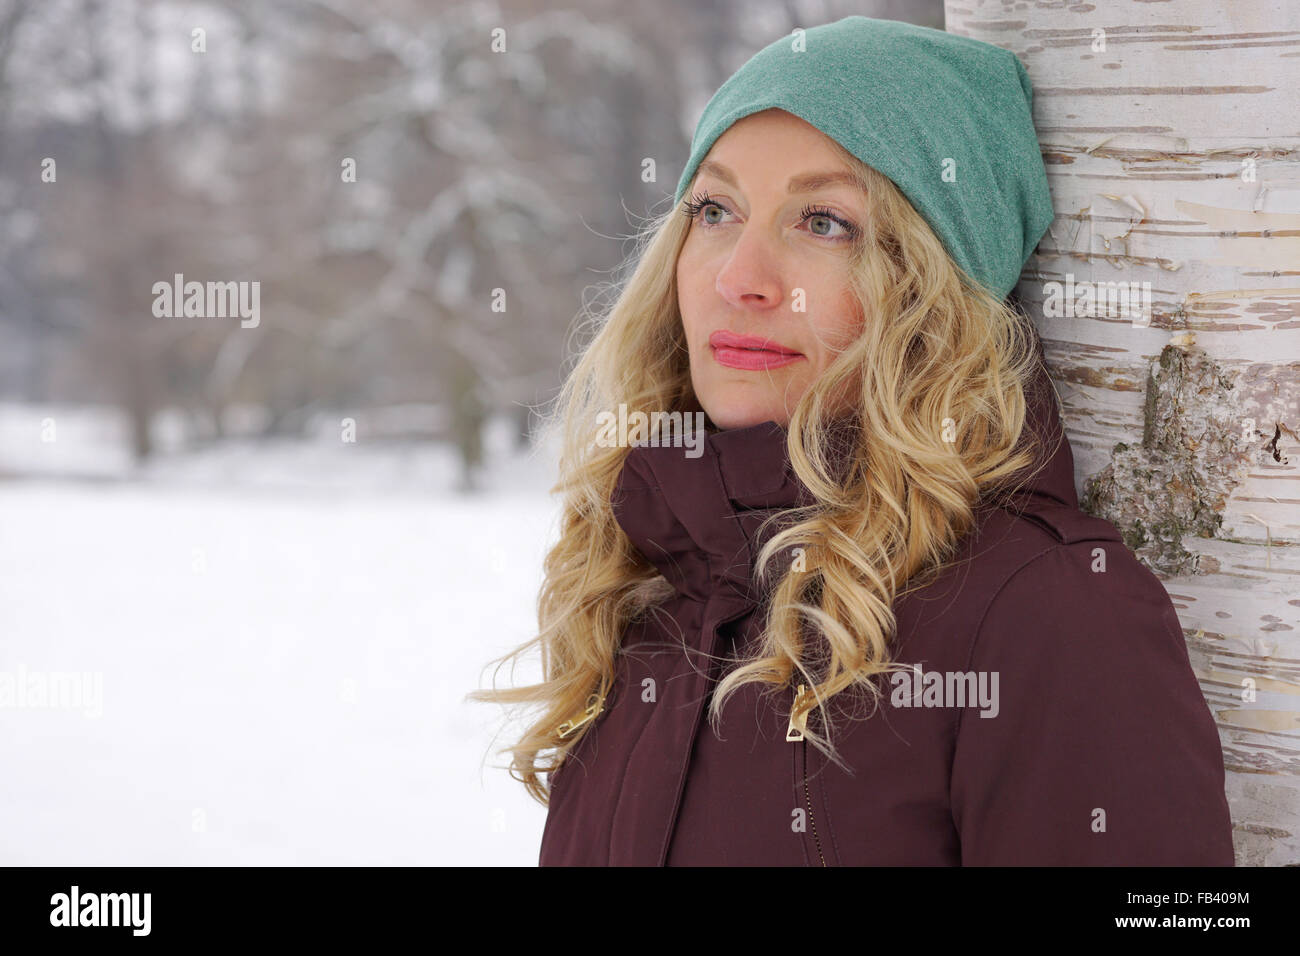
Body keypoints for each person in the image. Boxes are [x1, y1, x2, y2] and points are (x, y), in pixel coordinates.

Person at [472, 15, 1235, 866]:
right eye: (715, 209)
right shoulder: (655, 576)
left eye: (824, 222)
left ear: (933, 287)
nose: (739, 278)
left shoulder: (1051, 613)